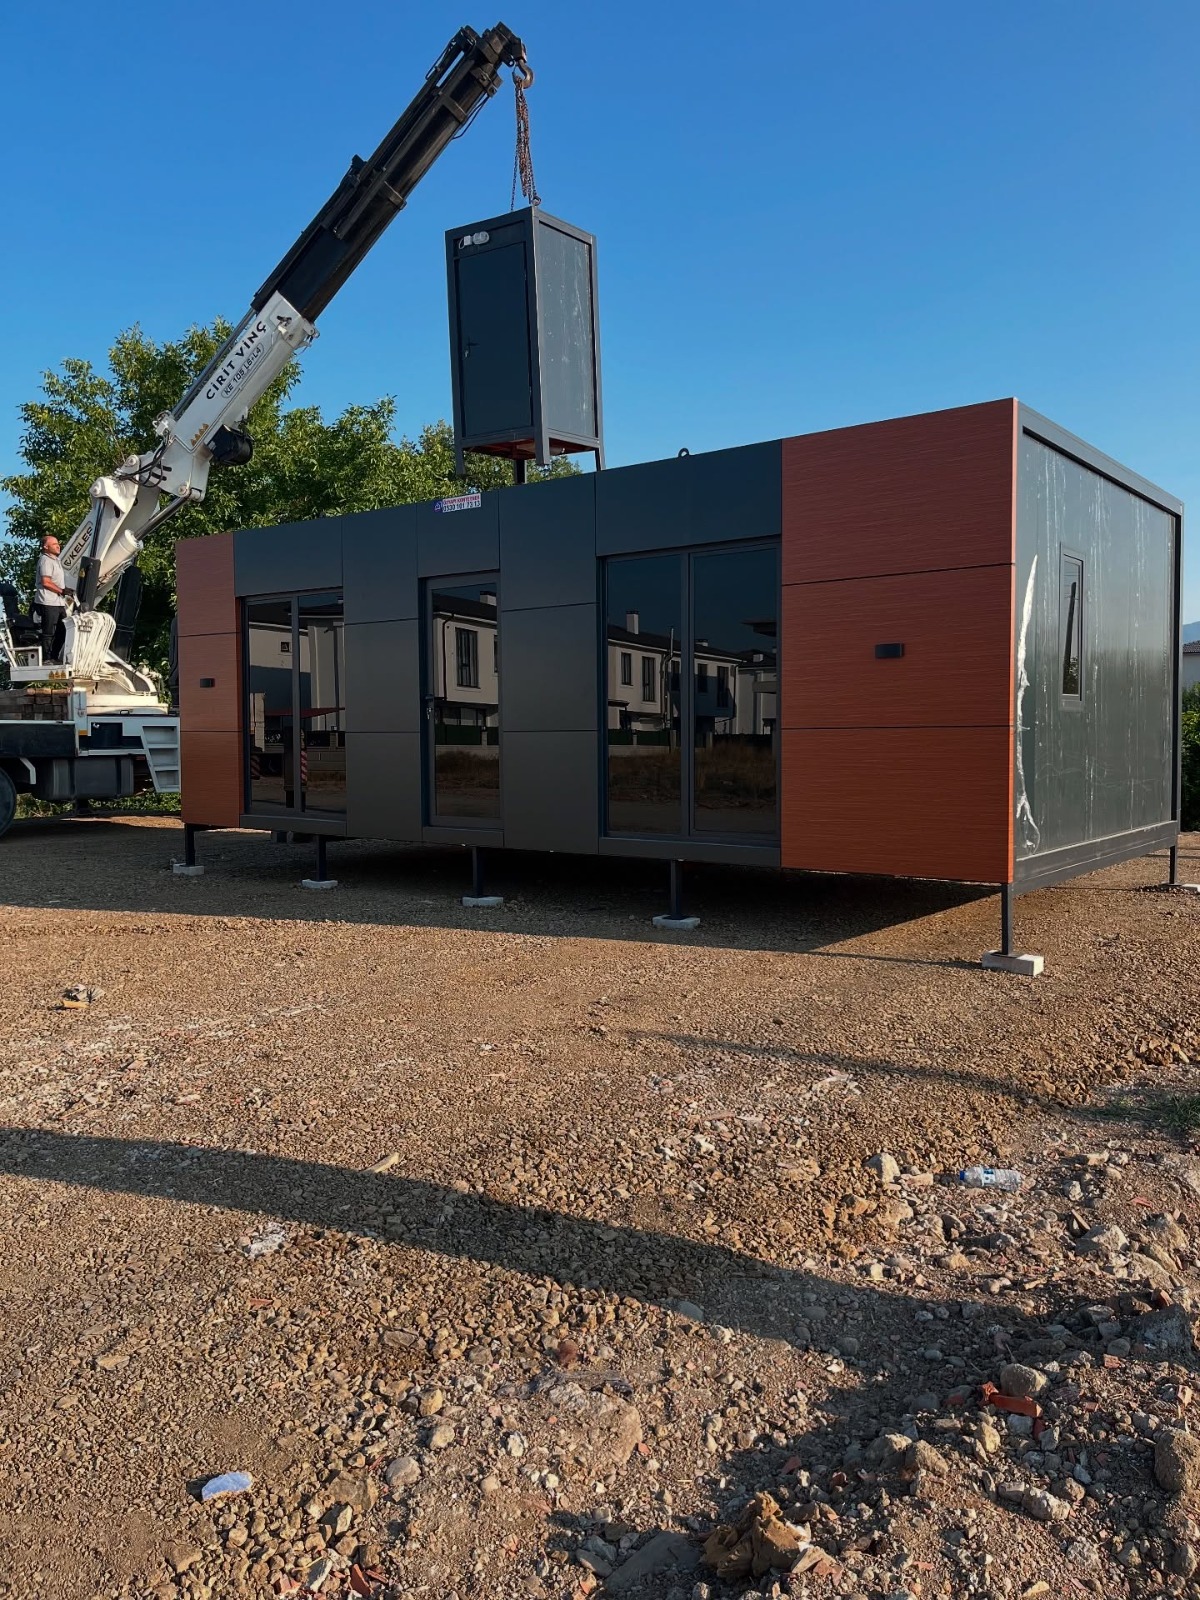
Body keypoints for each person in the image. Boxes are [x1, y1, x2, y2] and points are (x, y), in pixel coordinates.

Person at [34, 536, 71, 664]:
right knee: (49, 631)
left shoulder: (56, 560)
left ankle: (54, 656)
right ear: (46, 547)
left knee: (64, 629)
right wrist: (61, 591)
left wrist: (66, 590)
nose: (58, 545)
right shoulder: (45, 560)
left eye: (58, 543)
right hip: (48, 601)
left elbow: (56, 582)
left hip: (58, 602)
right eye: (54, 544)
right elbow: (46, 582)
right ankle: (47, 659)